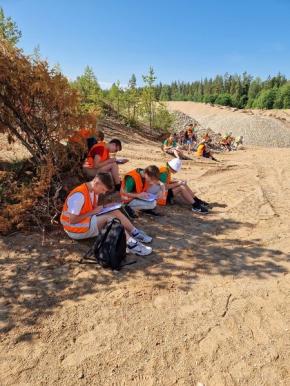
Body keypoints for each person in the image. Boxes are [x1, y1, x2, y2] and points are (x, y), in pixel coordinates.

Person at [60, 173, 153, 256]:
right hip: (74, 230)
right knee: (110, 219)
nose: (103, 192)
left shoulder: (93, 191)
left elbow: (88, 209)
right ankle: (131, 245)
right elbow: (72, 220)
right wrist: (93, 212)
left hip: (85, 221)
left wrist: (105, 206)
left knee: (115, 211)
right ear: (96, 183)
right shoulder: (79, 196)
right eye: (103, 189)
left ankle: (135, 232)